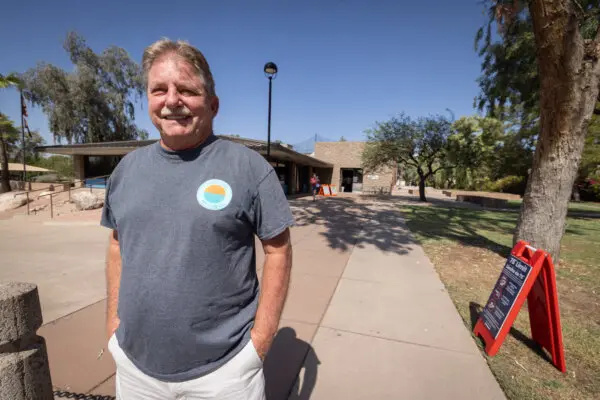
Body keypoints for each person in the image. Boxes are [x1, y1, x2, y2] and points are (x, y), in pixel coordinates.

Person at [101, 39, 294, 400]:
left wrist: (261, 340)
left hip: (225, 373)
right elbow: (116, 245)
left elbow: (279, 250)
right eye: (159, 90)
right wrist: (113, 322)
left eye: (186, 90)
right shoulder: (126, 171)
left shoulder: (250, 169)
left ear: (213, 105)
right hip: (134, 368)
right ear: (149, 100)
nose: (171, 101)